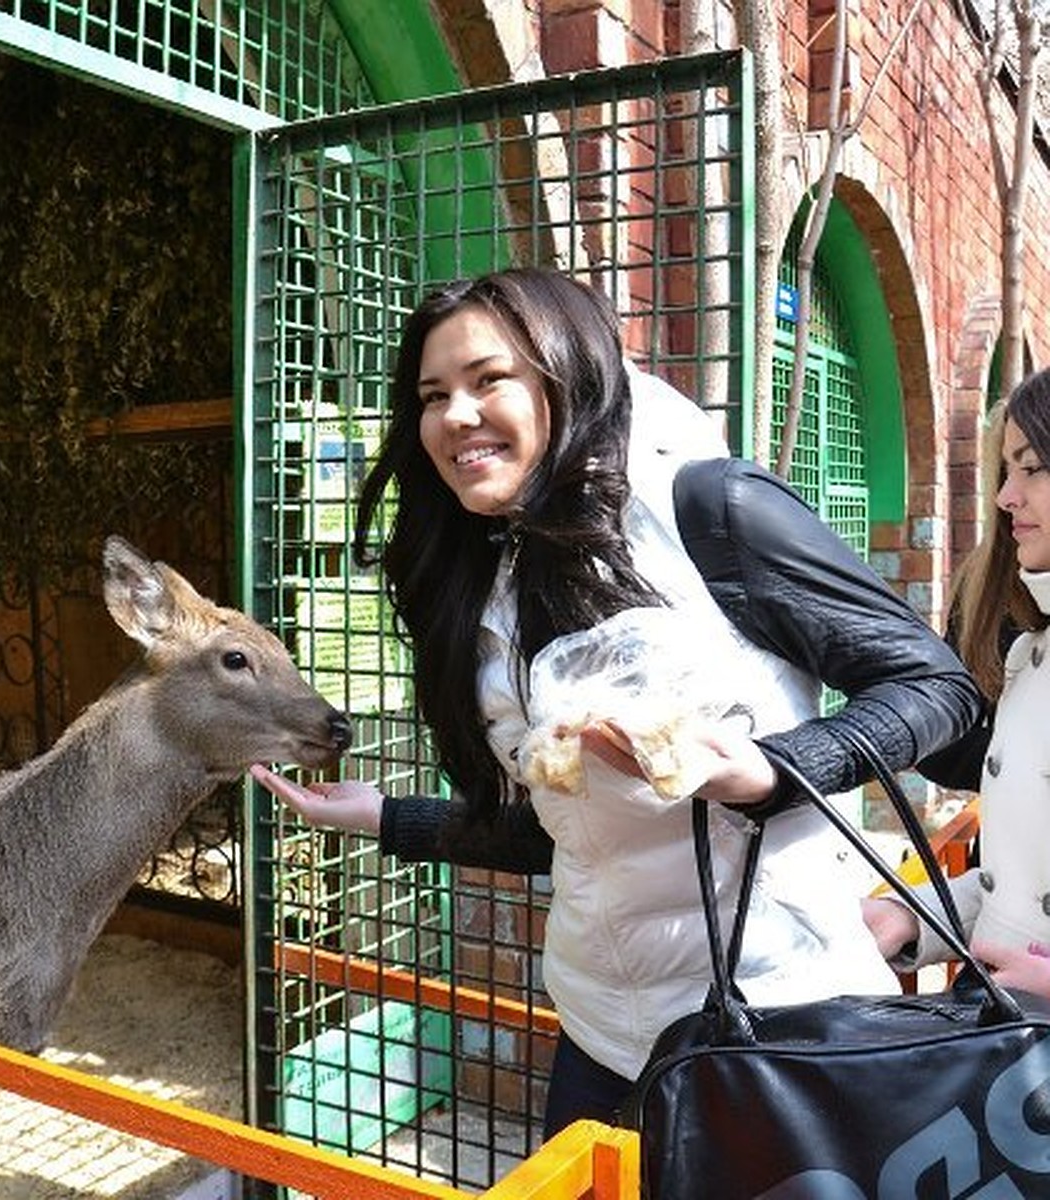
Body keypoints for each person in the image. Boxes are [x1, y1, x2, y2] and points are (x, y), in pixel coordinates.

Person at [252, 267, 984, 1137]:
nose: (456, 416)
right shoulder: (489, 577)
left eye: (491, 380)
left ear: (569, 373)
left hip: (775, 1019)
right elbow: (576, 836)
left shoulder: (711, 507)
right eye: (433, 395)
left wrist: (771, 773)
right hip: (602, 1039)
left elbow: (942, 694)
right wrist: (386, 818)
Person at [863, 368, 1050, 996]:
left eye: (1031, 469)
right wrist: (914, 917)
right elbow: (1017, 887)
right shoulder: (1028, 655)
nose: (1005, 498)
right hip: (1013, 1042)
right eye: (1006, 472)